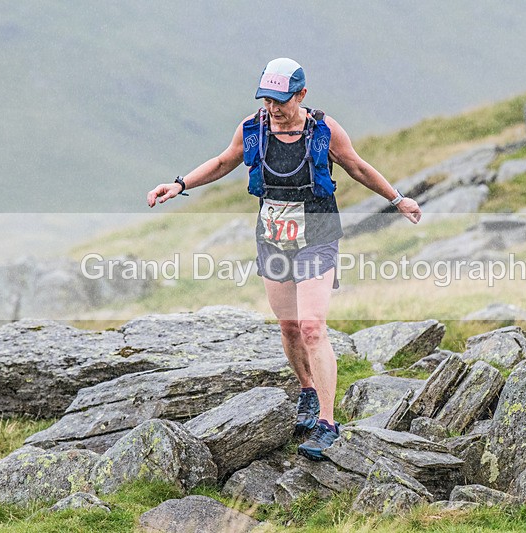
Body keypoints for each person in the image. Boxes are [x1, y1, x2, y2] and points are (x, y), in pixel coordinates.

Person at [147, 57, 422, 460]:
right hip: (273, 240)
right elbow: (225, 161)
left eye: (281, 100)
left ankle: (328, 423)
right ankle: (307, 391)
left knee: (312, 327)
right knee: (290, 328)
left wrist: (397, 200)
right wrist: (178, 184)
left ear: (301, 95)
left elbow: (358, 167)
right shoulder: (253, 128)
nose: (273, 108)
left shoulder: (325, 130)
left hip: (318, 237)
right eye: (267, 99)